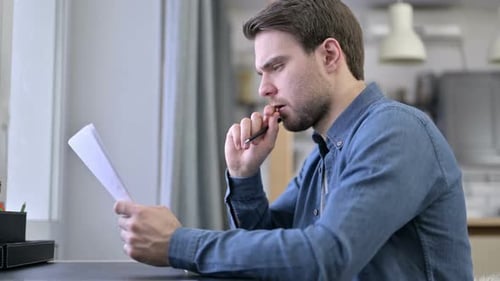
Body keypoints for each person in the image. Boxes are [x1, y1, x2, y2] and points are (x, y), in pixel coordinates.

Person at [114, 0, 474, 280]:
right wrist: (244, 177)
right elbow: (275, 254)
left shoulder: (395, 131)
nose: (263, 88)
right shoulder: (322, 157)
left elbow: (325, 257)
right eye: (261, 72)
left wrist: (178, 244)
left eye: (277, 66)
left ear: (329, 55)